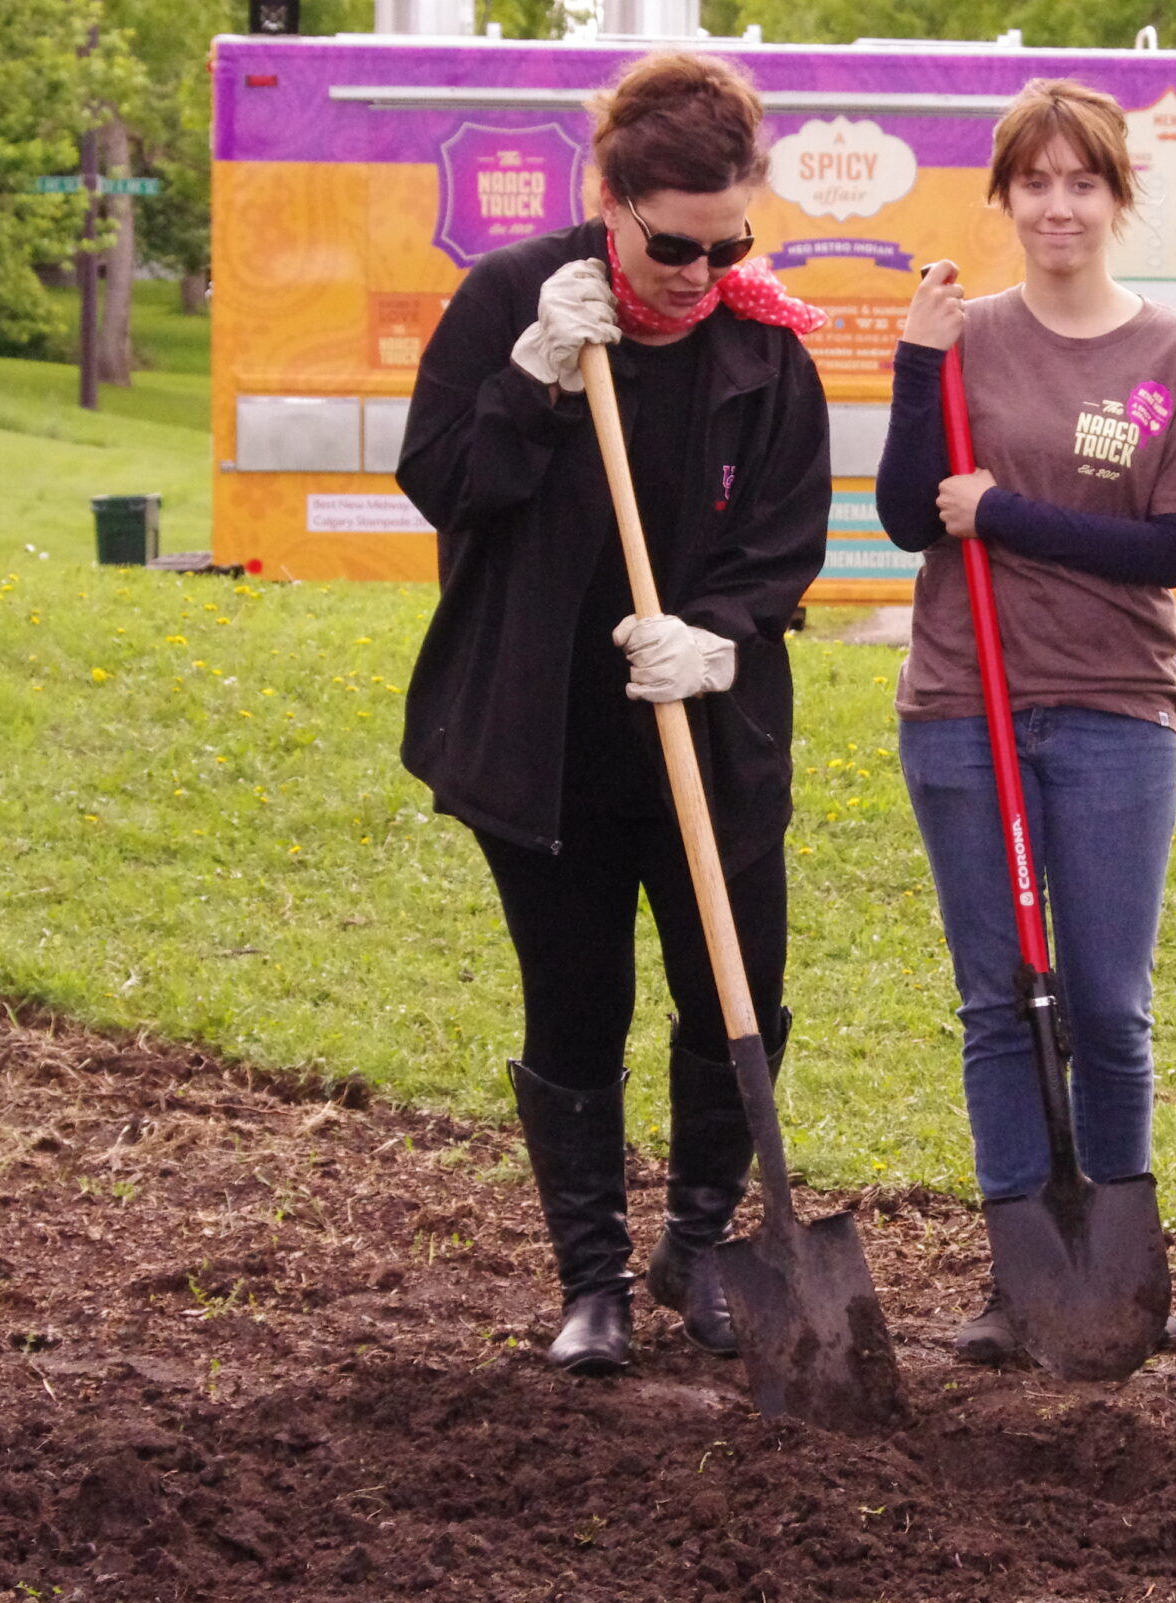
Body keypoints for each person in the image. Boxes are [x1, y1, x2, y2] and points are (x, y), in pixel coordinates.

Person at [396, 51, 831, 1375]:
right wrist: (528, 377)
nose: (699, 273)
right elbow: (444, 487)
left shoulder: (763, 343)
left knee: (733, 995)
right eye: (674, 246)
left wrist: (722, 638)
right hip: (546, 741)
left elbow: (788, 538)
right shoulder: (514, 302)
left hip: (710, 738)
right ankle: (593, 1282)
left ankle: (700, 1248)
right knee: (576, 1005)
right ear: (612, 197)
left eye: (728, 244)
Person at [874, 80, 1176, 1363]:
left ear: (1116, 196)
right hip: (962, 706)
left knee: (1105, 1002)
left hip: (1111, 714)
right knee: (998, 999)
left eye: (1082, 180)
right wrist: (921, 361)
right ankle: (1020, 1275)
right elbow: (911, 515)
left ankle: (1117, 1269)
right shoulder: (963, 335)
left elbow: (1167, 551)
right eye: (1034, 181)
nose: (1057, 204)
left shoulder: (1174, 356)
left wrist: (1008, 516)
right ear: (1005, 197)